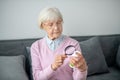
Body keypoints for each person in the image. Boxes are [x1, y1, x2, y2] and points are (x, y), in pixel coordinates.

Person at [30, 7, 88, 80]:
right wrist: (53, 66)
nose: (56, 28)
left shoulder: (73, 44)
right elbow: (37, 78)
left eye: (58, 23)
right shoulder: (36, 47)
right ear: (42, 26)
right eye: (51, 24)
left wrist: (82, 69)